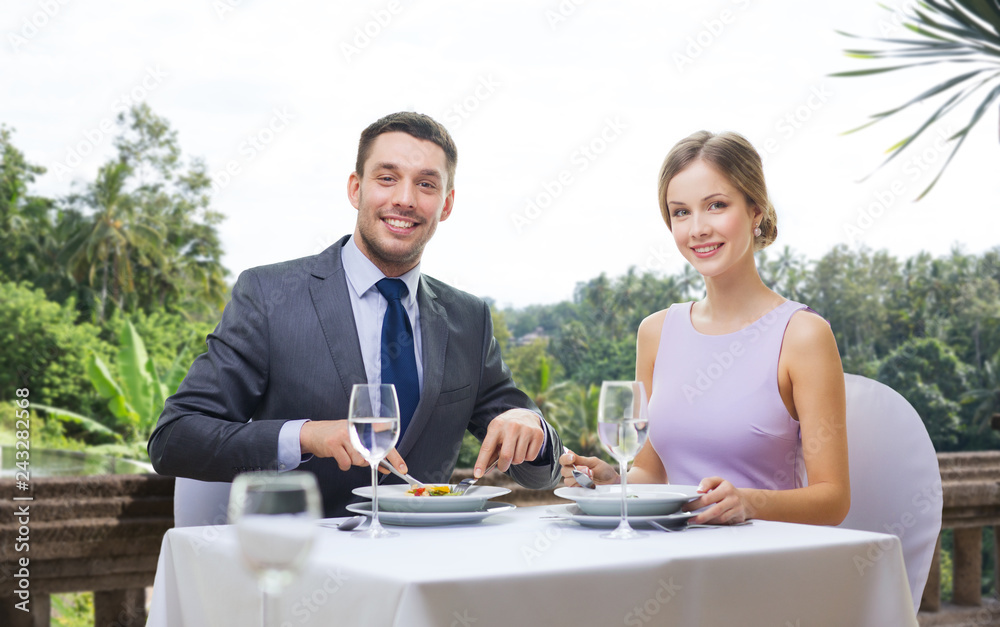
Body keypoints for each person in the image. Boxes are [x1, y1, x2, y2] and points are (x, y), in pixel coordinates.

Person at [149, 112, 563, 517]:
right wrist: (309, 435)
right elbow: (174, 440)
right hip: (297, 563)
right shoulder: (268, 294)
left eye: (425, 184)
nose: (405, 198)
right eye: (387, 178)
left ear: (447, 204)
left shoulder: (469, 318)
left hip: (429, 564)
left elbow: (538, 474)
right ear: (355, 188)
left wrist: (532, 427)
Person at [561, 131, 850, 526]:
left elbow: (833, 500)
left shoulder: (802, 335)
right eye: (681, 212)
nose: (697, 228)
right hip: (675, 558)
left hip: (768, 560)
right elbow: (652, 474)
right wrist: (613, 481)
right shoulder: (656, 332)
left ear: (756, 210)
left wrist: (749, 503)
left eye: (716, 205)